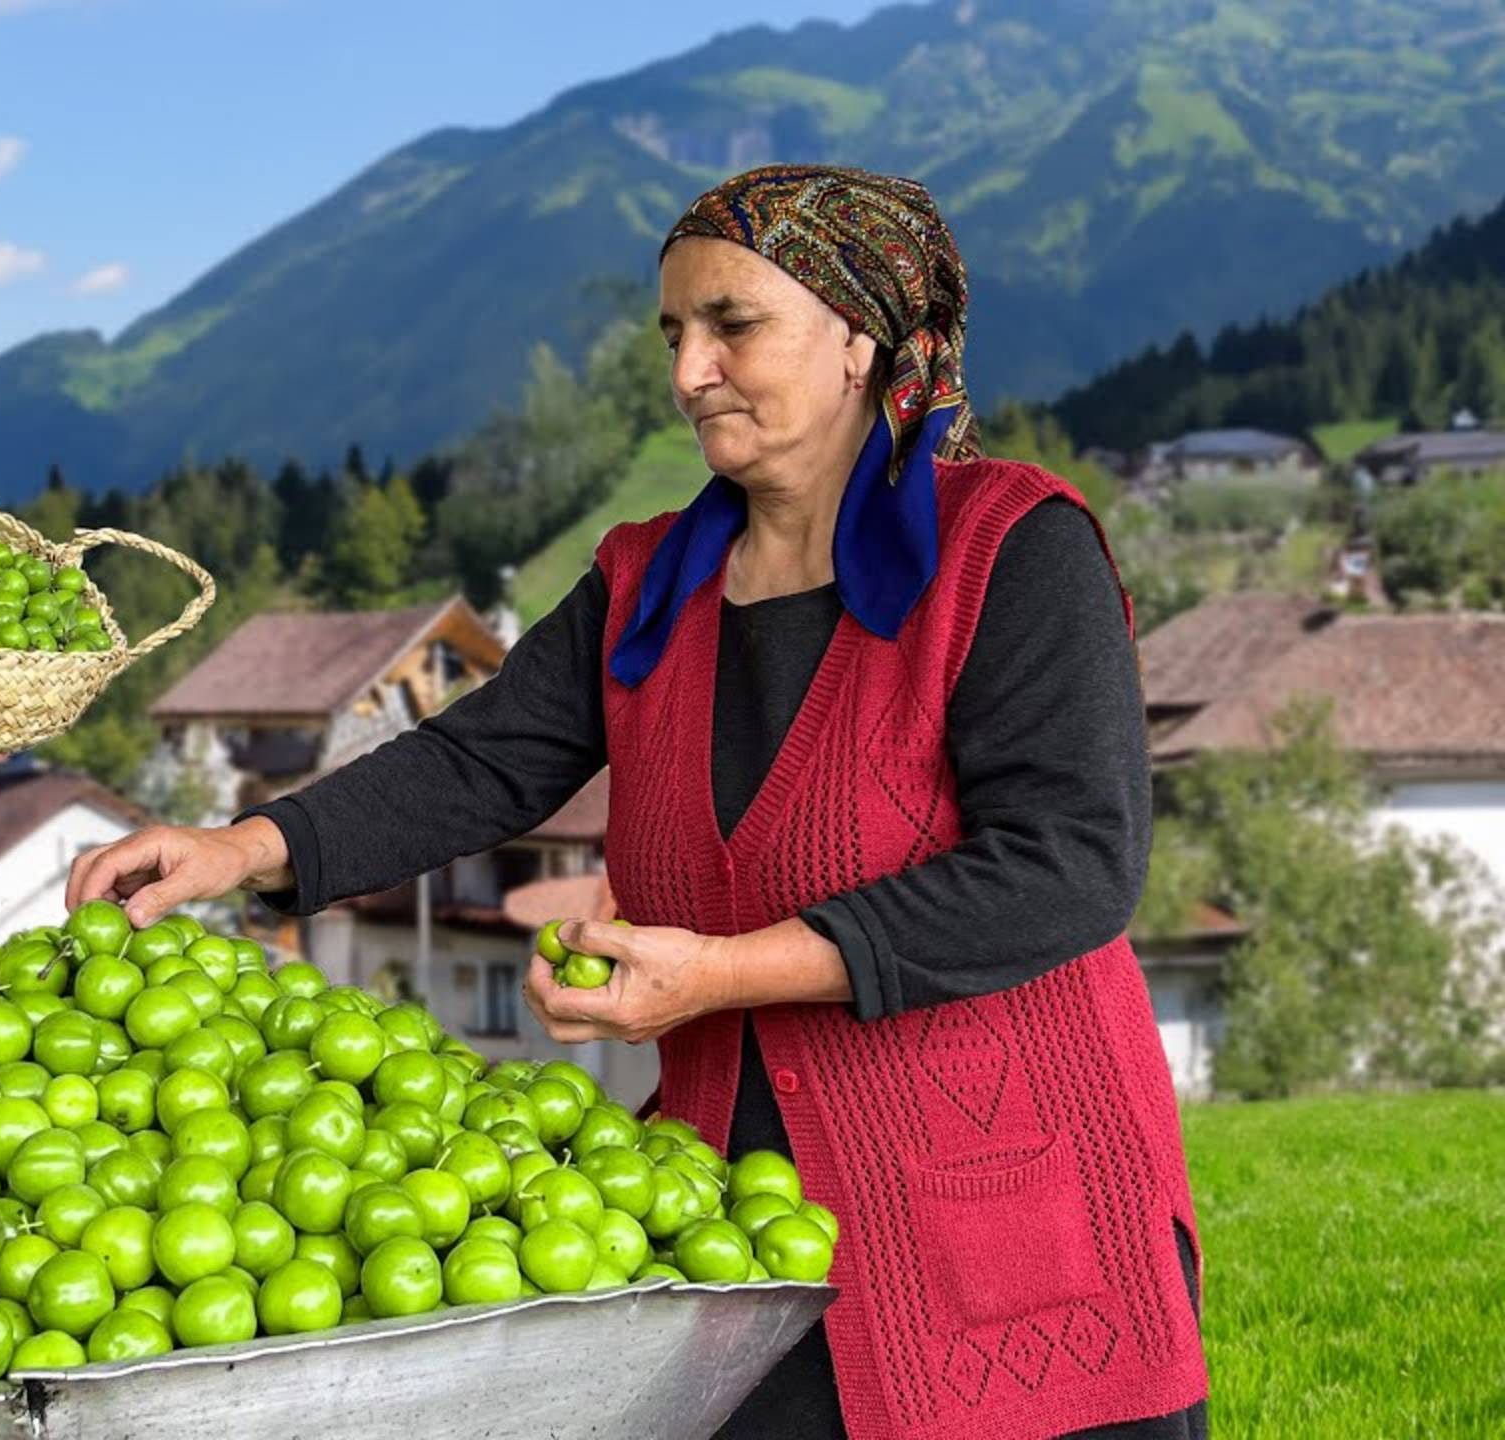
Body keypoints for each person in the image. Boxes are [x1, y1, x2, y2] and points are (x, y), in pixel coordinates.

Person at [67, 165, 1210, 1439]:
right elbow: (479, 759)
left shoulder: (1011, 548)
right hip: (730, 1219)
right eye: (675, 334)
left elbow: (1069, 865)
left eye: (734, 325)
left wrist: (721, 973)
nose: (688, 373)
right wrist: (242, 847)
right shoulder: (646, 579)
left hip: (1000, 1211)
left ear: (859, 339)